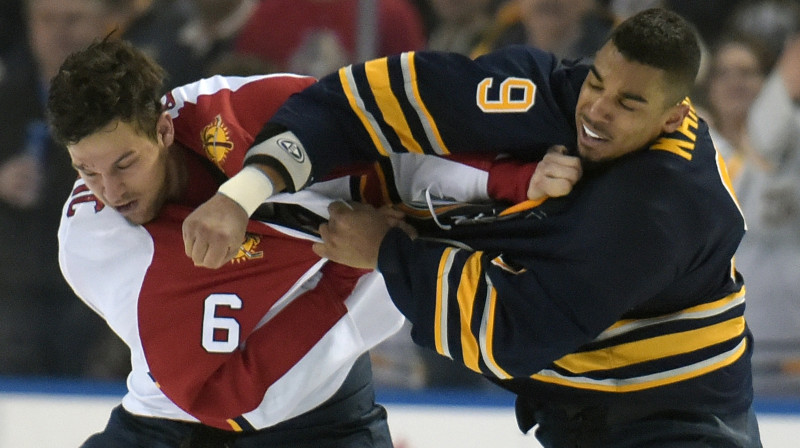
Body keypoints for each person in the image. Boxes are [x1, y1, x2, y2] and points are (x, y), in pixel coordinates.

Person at [182, 8, 762, 447]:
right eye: (598, 83)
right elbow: (353, 104)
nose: (598, 110)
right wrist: (243, 192)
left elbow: (511, 330)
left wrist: (387, 250)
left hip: (676, 423)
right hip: (580, 412)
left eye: (628, 104)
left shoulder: (659, 207)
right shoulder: (544, 91)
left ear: (672, 116)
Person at [48, 38, 574, 446]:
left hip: (323, 409)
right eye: (86, 171)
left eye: (125, 163)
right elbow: (225, 397)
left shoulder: (235, 114)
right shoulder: (94, 241)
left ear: (163, 129)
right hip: (170, 427)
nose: (111, 191)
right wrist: (358, 262)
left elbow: (389, 147)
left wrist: (512, 182)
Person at [0, 0, 126, 378]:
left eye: (73, 19)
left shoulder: (130, 101)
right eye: (47, 20)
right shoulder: (7, 96)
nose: (59, 31)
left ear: (107, 25)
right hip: (16, 286)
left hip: (101, 287)